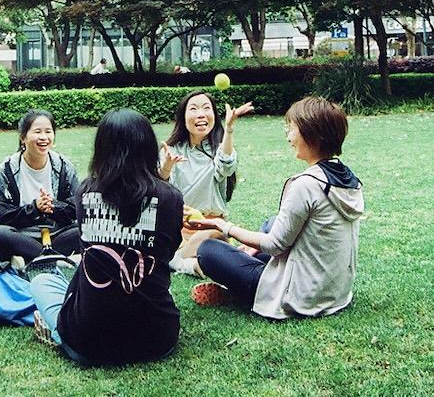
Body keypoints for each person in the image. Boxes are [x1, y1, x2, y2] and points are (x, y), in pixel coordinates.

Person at [29, 109, 184, 365]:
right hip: (157, 339)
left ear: (101, 149)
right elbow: (168, 252)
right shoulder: (170, 197)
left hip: (87, 342)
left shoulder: (85, 192)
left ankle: (57, 331)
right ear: (147, 147)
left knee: (42, 281)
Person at [188, 96, 364, 320]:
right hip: (335, 292)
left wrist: (223, 226)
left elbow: (274, 245)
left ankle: (239, 291)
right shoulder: (348, 179)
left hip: (300, 296)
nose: (289, 137)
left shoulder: (306, 184)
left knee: (208, 251)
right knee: (272, 223)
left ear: (312, 135)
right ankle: (244, 267)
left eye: (292, 129)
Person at [160, 90, 254, 276]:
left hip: (211, 228)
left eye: (206, 108)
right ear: (183, 117)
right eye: (193, 109)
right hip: (178, 231)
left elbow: (226, 165)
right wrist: (166, 168)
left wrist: (229, 129)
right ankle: (191, 264)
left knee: (208, 240)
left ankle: (185, 262)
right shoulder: (171, 150)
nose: (201, 114)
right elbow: (159, 189)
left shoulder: (219, 150)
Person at [0, 109, 79, 265]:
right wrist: (35, 208)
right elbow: (2, 214)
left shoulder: (64, 166)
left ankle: (32, 258)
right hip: (22, 236)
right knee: (0, 235)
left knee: (84, 230)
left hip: (58, 234)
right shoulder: (8, 169)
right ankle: (54, 258)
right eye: (37, 132)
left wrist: (53, 206)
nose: (44, 137)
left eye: (48, 132)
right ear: (23, 137)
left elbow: (77, 209)